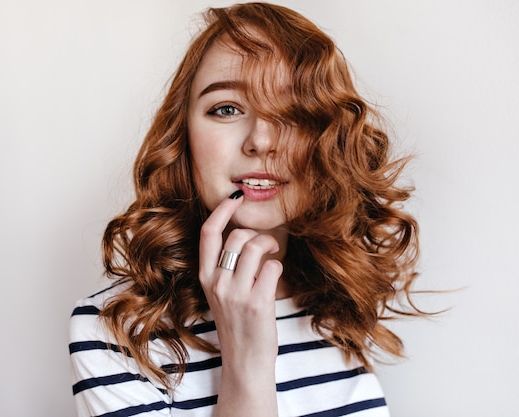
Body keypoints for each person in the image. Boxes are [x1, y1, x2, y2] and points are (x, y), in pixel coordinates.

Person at [69, 3, 424, 416]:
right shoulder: (114, 332)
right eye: (227, 109)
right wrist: (245, 365)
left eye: (293, 113)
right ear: (182, 135)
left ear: (328, 143)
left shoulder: (337, 304)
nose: (261, 140)